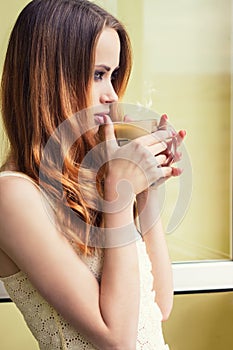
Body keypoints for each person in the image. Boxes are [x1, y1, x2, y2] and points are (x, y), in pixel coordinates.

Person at [0, 0, 186, 349]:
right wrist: (120, 195)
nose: (112, 94)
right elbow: (117, 339)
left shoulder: (90, 179)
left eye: (113, 76)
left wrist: (146, 187)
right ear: (51, 78)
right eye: (99, 74)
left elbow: (159, 306)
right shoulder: (12, 195)